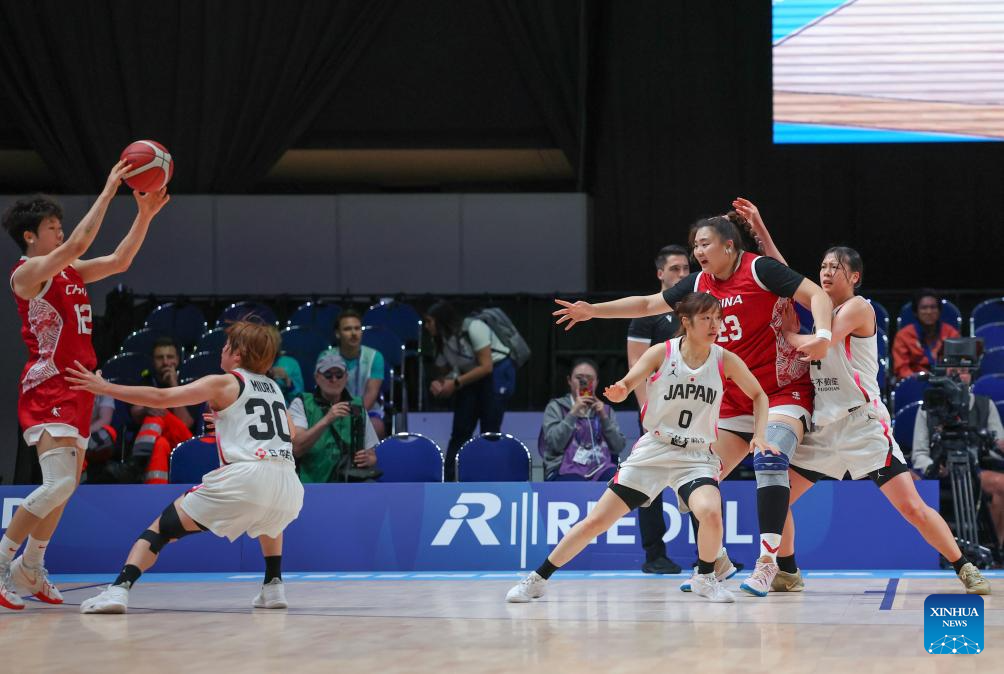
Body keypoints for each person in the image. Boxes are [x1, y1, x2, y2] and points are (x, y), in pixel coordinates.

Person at [554, 208, 834, 597]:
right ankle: (716, 563)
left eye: (704, 244)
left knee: (769, 462)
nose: (698, 251)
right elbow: (648, 305)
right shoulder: (699, 285)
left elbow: (816, 294)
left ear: (728, 245)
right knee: (695, 479)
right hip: (730, 405)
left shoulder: (760, 270)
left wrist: (822, 335)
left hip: (780, 394)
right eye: (695, 246)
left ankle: (768, 564)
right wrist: (593, 311)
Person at [508, 293, 773, 604]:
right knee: (597, 521)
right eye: (706, 318)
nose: (715, 325)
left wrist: (759, 433)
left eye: (718, 318)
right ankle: (537, 578)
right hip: (655, 450)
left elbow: (759, 395)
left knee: (711, 512)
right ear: (686, 322)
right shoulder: (662, 353)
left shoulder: (724, 359)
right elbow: (628, 383)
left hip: (696, 455)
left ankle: (705, 577)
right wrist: (620, 391)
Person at [0, 161, 167, 612]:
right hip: (48, 386)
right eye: (53, 228)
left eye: (61, 226)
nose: (61, 233)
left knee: (67, 485)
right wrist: (110, 187)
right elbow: (79, 243)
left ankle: (31, 566)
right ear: (31, 236)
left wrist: (145, 215)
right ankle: (2, 561)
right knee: (57, 484)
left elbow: (120, 261)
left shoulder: (70, 270)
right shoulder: (26, 274)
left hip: (78, 388)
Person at [774, 246, 990, 594]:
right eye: (823, 266)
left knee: (912, 508)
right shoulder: (821, 309)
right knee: (775, 496)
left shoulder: (858, 307)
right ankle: (787, 571)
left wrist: (787, 334)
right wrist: (759, 228)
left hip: (863, 425)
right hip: (824, 428)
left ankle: (964, 566)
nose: (826, 272)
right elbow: (783, 274)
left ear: (854, 276)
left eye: (835, 267)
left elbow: (819, 345)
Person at [66, 320, 305, 613]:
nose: (222, 350)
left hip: (247, 478)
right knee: (270, 519)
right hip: (288, 484)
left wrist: (105, 387)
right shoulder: (274, 389)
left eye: (227, 346)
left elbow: (162, 398)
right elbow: (290, 432)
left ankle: (118, 590)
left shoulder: (224, 382)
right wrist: (233, 420)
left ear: (238, 354)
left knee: (161, 528)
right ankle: (273, 585)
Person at [626, 244, 691, 575]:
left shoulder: (697, 309)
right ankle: (654, 555)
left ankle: (711, 556)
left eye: (686, 268)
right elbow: (636, 365)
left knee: (702, 477)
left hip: (694, 412)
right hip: (657, 412)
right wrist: (645, 414)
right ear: (660, 273)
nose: (682, 274)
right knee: (648, 484)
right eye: (675, 269)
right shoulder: (648, 313)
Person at [912, 365, 1004, 554]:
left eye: (963, 370)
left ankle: (996, 551)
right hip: (937, 470)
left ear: (971, 375)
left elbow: (997, 448)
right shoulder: (930, 406)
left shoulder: (985, 405)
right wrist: (932, 466)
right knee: (907, 482)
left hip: (974, 469)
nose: (958, 375)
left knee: (1001, 484)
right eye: (953, 370)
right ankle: (931, 551)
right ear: (944, 373)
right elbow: (919, 453)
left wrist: (996, 445)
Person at [425, 300, 516, 480]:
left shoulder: (474, 328)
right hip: (468, 377)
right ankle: (449, 477)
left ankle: (490, 477)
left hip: (496, 372)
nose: (426, 326)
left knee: (489, 430)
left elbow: (486, 366)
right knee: (460, 429)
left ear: (441, 320)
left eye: (429, 321)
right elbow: (443, 372)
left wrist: (455, 383)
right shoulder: (441, 340)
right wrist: (439, 383)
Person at [290, 352, 380, 483]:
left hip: (349, 484)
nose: (334, 379)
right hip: (312, 485)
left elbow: (372, 455)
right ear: (317, 377)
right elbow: (297, 448)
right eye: (328, 375)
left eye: (339, 375)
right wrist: (327, 419)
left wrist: (369, 459)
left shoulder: (357, 406)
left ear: (346, 377)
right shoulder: (301, 403)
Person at [539, 358, 625, 482]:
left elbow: (618, 447)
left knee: (618, 480)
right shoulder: (556, 407)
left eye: (589, 378)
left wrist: (604, 418)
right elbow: (554, 444)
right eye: (579, 378)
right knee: (575, 482)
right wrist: (573, 413)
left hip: (601, 467)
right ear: (569, 380)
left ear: (596, 382)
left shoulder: (605, 410)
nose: (584, 382)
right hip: (563, 468)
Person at [130, 337, 199, 484]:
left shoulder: (189, 383)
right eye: (160, 358)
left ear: (178, 360)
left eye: (170, 357)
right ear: (153, 361)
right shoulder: (146, 381)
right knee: (160, 444)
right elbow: (135, 413)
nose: (166, 362)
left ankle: (137, 461)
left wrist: (174, 385)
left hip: (184, 443)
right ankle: (155, 490)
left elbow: (186, 423)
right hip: (156, 441)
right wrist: (146, 409)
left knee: (158, 411)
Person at [322, 309, 387, 439]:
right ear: (338, 333)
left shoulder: (375, 357)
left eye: (357, 328)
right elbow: (325, 393)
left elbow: (371, 395)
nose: (353, 333)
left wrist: (352, 418)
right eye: (347, 329)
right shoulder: (326, 357)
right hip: (333, 409)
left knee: (377, 426)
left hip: (367, 411)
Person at [892, 289, 960, 380]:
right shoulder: (903, 336)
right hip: (915, 383)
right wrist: (920, 380)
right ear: (916, 312)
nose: (929, 312)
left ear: (939, 311)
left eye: (933, 307)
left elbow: (957, 364)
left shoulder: (951, 333)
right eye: (924, 308)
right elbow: (901, 369)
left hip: (945, 382)